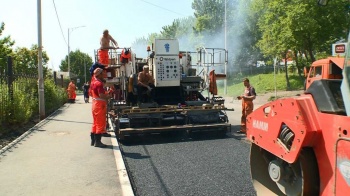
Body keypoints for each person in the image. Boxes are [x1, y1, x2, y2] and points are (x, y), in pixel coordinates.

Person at [90, 68, 112, 147]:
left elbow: (92, 94)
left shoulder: (93, 82)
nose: (104, 75)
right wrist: (108, 96)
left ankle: (93, 140)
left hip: (95, 104)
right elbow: (101, 95)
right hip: (100, 105)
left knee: (95, 123)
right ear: (99, 74)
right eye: (102, 74)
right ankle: (98, 142)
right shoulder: (99, 83)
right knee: (100, 123)